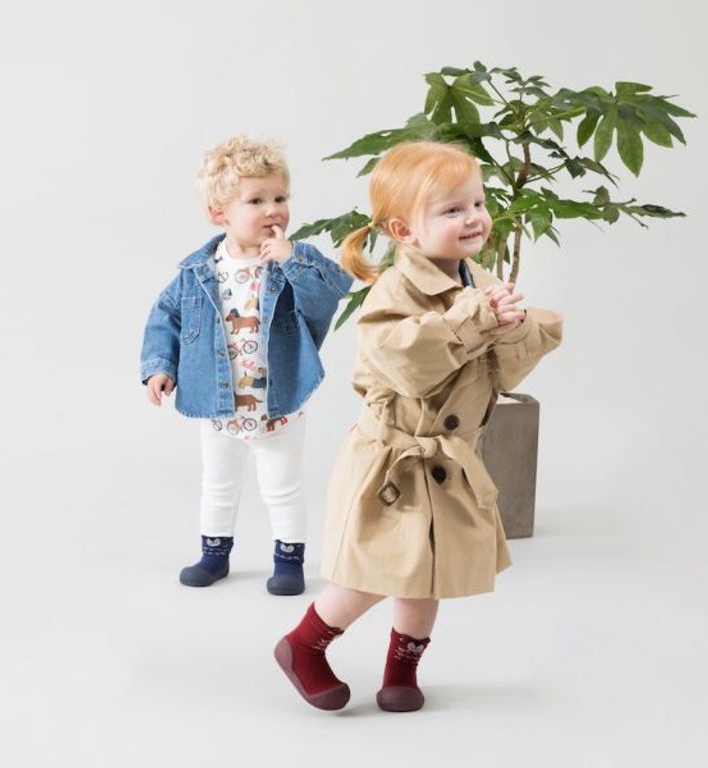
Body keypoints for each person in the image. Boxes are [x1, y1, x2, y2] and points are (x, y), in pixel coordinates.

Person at [273, 140, 563, 710]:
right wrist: (475, 321)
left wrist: (512, 329)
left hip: (448, 460)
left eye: (477, 203)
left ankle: (401, 669)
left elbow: (501, 373)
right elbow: (404, 362)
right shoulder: (394, 290)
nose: (473, 218)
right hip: (395, 461)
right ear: (404, 231)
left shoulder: (478, 280)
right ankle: (304, 644)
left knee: (429, 571)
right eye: (452, 210)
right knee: (376, 570)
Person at [140, 136, 352, 595]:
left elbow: (329, 296)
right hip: (218, 408)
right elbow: (166, 317)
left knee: (283, 487)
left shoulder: (292, 262)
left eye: (280, 198)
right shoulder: (199, 271)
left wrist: (293, 260)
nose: (273, 210)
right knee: (218, 485)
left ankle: (288, 562)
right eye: (256, 201)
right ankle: (214, 556)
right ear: (219, 212)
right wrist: (161, 366)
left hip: (278, 406)